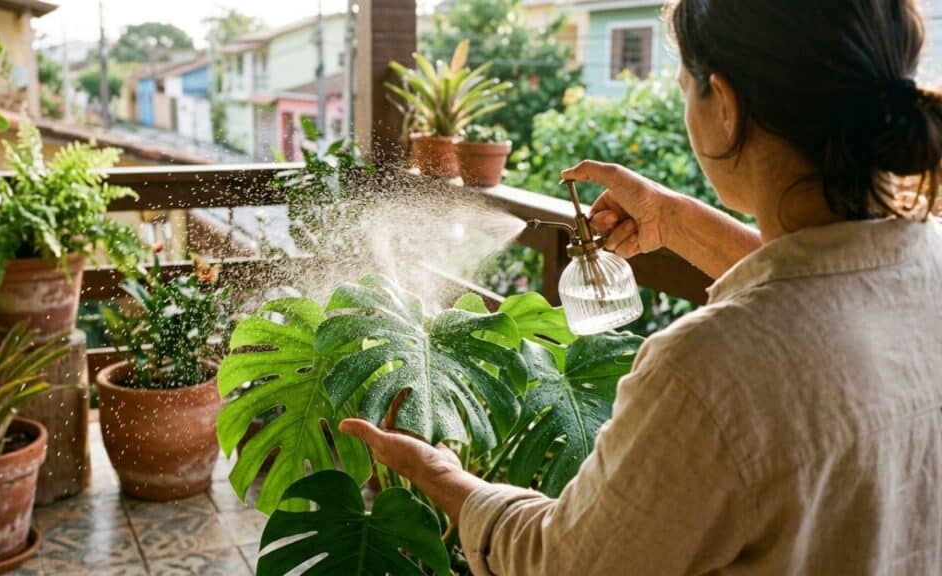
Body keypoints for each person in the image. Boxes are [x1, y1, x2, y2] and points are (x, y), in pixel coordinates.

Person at [341, 0, 942, 573]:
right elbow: (827, 292)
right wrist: (673, 220)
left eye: (684, 85)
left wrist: (441, 475)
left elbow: (563, 564)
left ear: (725, 104)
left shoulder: (710, 370)